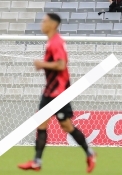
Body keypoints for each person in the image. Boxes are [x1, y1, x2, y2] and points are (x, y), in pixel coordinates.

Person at [17, 13, 96, 172]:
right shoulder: (53, 42)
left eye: (44, 21)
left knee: (54, 125)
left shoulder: (56, 43)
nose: (42, 23)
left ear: (53, 24)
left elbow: (61, 65)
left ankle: (38, 162)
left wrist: (42, 64)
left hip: (58, 92)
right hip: (53, 90)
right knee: (60, 125)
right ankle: (88, 154)